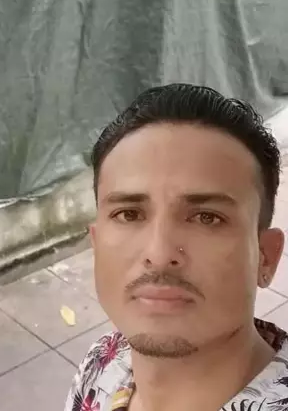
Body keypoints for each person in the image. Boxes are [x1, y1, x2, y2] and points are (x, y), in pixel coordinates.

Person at [65, 83, 288, 411]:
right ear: (96, 245)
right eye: (129, 214)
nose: (159, 254)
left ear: (265, 257)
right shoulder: (100, 364)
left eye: (207, 218)